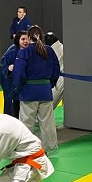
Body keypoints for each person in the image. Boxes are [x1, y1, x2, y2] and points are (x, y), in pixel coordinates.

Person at [14, 25, 61, 153]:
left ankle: (26, 148)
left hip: (29, 91)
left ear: (29, 37)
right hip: (45, 91)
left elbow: (19, 73)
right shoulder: (49, 51)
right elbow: (56, 69)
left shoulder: (25, 52)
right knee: (47, 122)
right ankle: (49, 147)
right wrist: (49, 84)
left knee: (26, 122)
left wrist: (19, 88)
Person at [0, 30, 30, 118]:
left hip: (22, 81)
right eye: (23, 39)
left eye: (27, 39)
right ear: (18, 40)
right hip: (9, 81)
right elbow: (2, 65)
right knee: (10, 103)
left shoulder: (31, 50)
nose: (25, 41)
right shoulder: (11, 51)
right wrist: (8, 68)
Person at [45, 32, 65, 109]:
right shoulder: (63, 47)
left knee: (50, 104)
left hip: (58, 79)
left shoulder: (51, 51)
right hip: (68, 79)